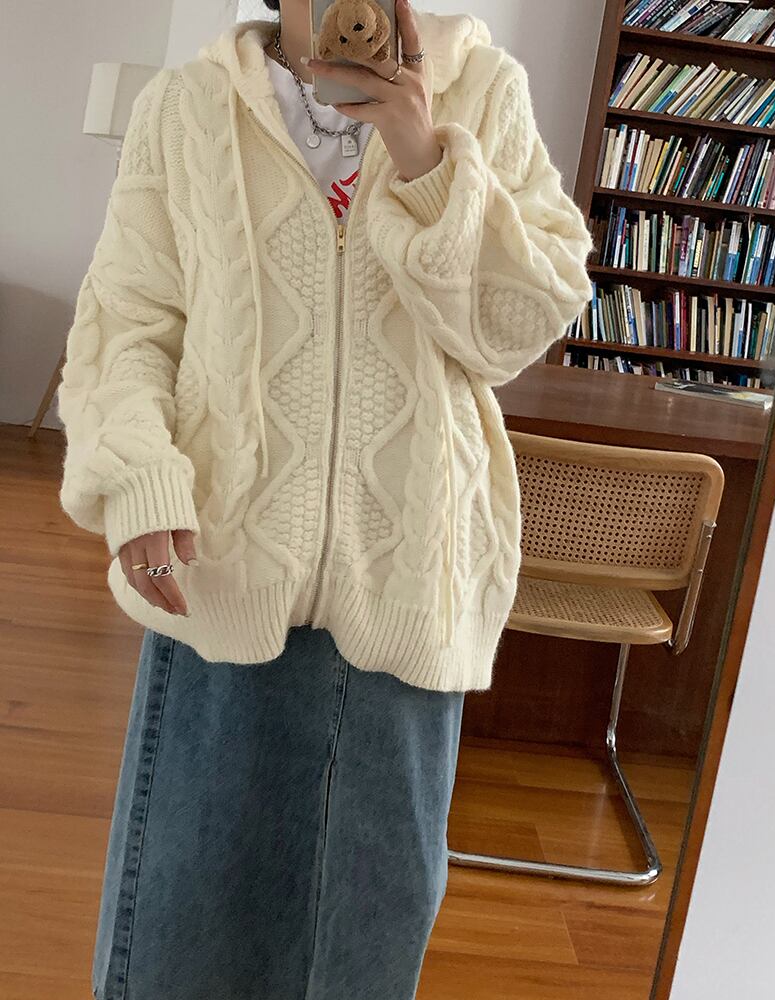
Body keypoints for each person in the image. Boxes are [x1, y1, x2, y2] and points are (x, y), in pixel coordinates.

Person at [57, 1, 593, 997]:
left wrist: (426, 158)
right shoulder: (186, 105)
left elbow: (516, 331)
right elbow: (128, 321)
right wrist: (136, 477)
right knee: (182, 948)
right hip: (223, 573)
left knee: (361, 954)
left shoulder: (485, 92)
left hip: (409, 579)